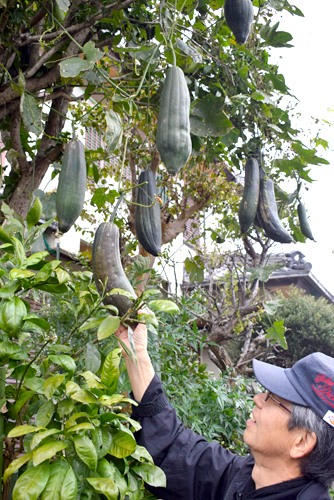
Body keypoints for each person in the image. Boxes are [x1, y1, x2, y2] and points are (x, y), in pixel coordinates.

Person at [115, 319, 334, 500]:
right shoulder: (244, 477)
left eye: (273, 399)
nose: (258, 399)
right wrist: (136, 353)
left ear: (301, 442)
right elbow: (174, 449)